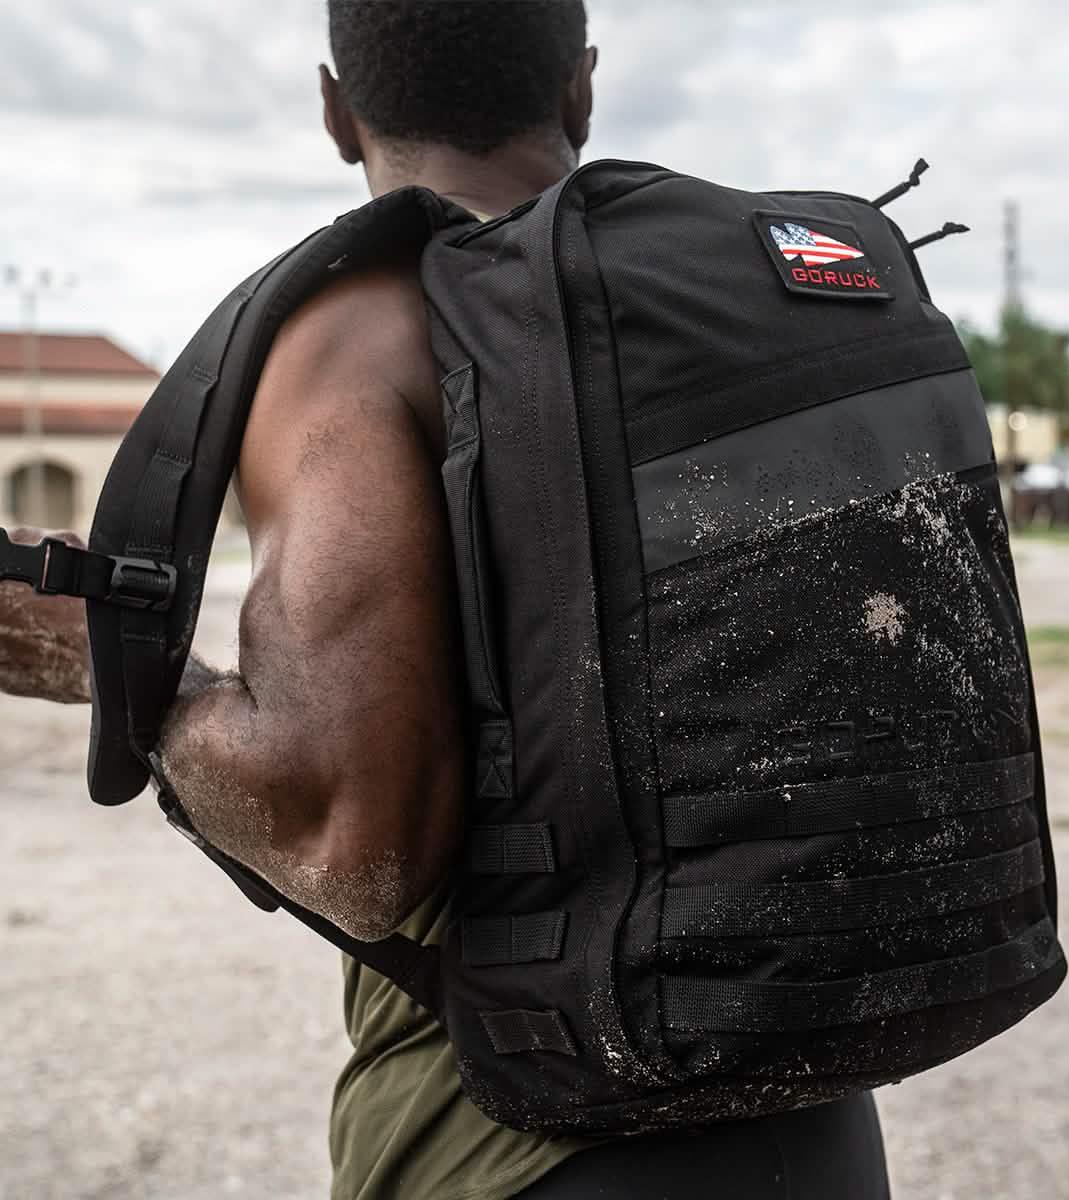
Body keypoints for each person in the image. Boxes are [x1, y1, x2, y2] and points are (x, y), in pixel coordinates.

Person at [0, 3, 891, 1197]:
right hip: (811, 1109)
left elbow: (350, 845)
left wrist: (106, 663)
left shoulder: (364, 334)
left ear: (334, 110)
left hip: (525, 1139)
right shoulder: (720, 316)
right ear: (580, 91)